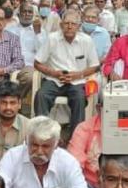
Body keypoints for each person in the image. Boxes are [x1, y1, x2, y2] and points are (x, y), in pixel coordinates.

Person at [33, 10, 100, 139]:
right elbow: (37, 63)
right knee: (41, 95)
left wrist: (77, 75)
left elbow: (95, 66)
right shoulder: (52, 38)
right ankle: (42, 133)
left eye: (73, 24)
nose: (69, 26)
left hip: (76, 81)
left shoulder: (86, 40)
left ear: (79, 26)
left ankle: (76, 137)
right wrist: (54, 73)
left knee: (79, 98)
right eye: (66, 23)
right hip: (54, 79)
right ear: (61, 24)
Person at [0, 80, 30, 163]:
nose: (8, 107)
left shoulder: (29, 127)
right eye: (4, 102)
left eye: (12, 103)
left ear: (20, 104)